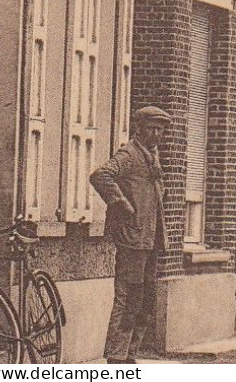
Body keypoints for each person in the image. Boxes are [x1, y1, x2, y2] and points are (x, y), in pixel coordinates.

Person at [91, 107, 172, 364]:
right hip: (132, 239)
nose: (156, 133)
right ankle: (116, 355)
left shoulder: (153, 157)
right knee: (128, 297)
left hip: (150, 239)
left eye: (160, 129)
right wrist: (122, 205)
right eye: (151, 127)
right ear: (138, 127)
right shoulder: (129, 154)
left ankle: (130, 354)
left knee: (147, 299)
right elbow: (101, 175)